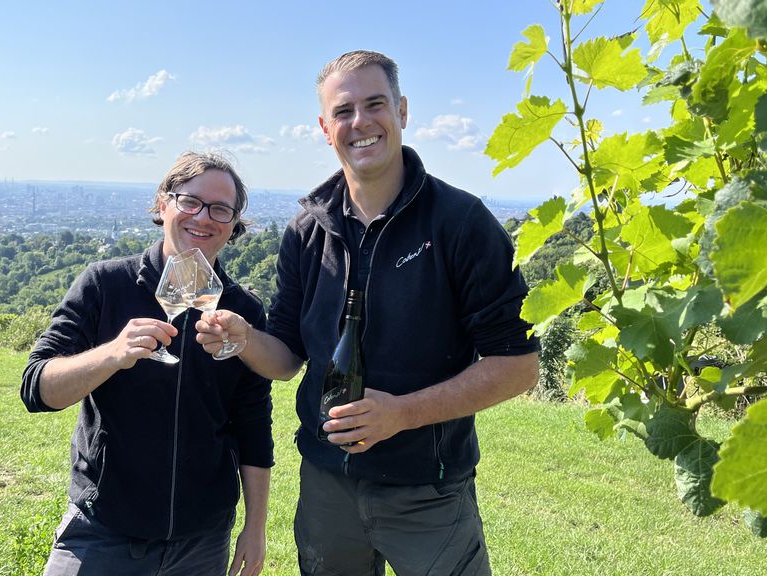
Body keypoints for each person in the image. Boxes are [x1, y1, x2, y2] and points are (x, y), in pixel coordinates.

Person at [197, 50, 539, 575]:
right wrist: (244, 338)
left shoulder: (461, 223)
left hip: (429, 491)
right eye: (343, 110)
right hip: (326, 485)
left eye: (375, 103)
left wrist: (403, 414)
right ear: (324, 127)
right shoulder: (306, 231)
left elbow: (518, 365)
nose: (360, 122)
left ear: (401, 110)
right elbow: (287, 356)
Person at [21, 151, 273, 576]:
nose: (203, 217)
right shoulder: (106, 284)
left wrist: (255, 527)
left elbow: (252, 424)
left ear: (233, 224)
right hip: (102, 531)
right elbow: (36, 389)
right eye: (190, 201)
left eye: (220, 209)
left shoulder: (242, 313)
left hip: (201, 541)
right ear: (163, 203)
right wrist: (113, 354)